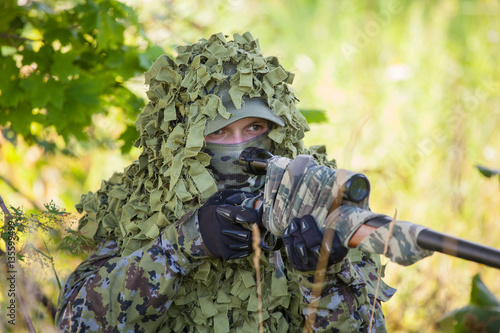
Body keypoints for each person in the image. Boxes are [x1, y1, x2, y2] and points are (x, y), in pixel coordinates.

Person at [56, 32, 432, 332]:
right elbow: (77, 322)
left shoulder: (312, 191)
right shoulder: (146, 199)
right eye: (220, 132)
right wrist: (181, 245)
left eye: (254, 127)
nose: (240, 147)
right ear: (184, 141)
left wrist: (322, 280)